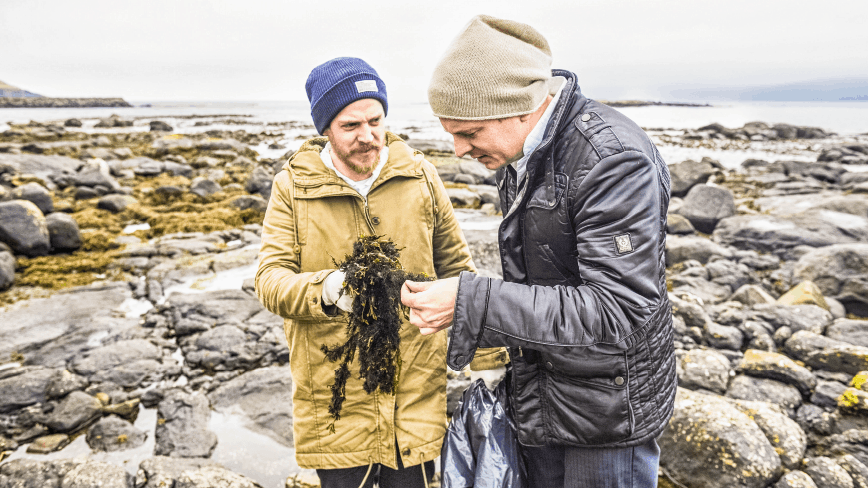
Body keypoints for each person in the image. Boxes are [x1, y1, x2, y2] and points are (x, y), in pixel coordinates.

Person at [401, 16, 675, 488]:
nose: (458, 150)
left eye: (468, 132)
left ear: (519, 107)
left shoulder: (612, 160)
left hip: (608, 412)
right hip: (544, 394)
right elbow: (543, 285)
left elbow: (616, 310)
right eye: (450, 132)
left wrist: (470, 301)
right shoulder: (524, 153)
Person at [255, 57, 505, 488]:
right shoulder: (293, 187)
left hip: (415, 393)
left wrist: (487, 361)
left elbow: (459, 272)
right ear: (326, 129)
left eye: (375, 120)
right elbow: (270, 280)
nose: (368, 137)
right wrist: (329, 288)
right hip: (334, 399)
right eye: (350, 126)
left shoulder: (420, 175)